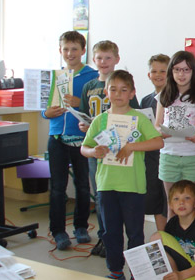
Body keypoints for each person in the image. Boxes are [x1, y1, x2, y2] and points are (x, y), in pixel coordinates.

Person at [81, 70, 164, 279]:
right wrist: (94, 151)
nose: (118, 94)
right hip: (107, 185)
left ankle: (137, 271)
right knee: (110, 232)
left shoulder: (139, 118)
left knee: (135, 233)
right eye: (113, 89)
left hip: (133, 186)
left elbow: (158, 142)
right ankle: (115, 270)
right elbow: (85, 148)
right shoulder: (100, 120)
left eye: (124, 90)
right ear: (107, 93)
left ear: (132, 93)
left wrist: (132, 147)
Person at [78, 40, 140, 257]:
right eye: (99, 58)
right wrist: (85, 126)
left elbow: (136, 121)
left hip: (124, 156)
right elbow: (84, 118)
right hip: (99, 149)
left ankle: (119, 241)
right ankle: (106, 238)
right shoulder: (89, 87)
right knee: (101, 195)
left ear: (116, 59)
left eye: (107, 58)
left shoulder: (127, 89)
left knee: (123, 201)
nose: (103, 62)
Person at [43, 30, 98, 250]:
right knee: (57, 187)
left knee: (83, 186)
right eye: (65, 49)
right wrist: (47, 114)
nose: (70, 53)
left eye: (74, 49)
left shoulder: (92, 76)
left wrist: (78, 102)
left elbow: (97, 109)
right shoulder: (54, 76)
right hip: (56, 137)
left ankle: (81, 226)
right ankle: (57, 231)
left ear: (83, 51)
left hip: (82, 138)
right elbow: (42, 109)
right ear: (60, 51)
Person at [155, 51, 195, 220]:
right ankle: (173, 245)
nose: (181, 74)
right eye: (177, 69)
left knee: (191, 204)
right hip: (169, 156)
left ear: (193, 72)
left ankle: (191, 243)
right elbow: (157, 125)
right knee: (172, 205)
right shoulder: (163, 96)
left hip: (192, 157)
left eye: (186, 70)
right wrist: (161, 132)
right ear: (171, 72)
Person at [149, 180, 195, 280]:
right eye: (176, 199)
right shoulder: (172, 224)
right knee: (156, 238)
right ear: (170, 205)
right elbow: (167, 253)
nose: (181, 202)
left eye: (187, 198)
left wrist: (182, 275)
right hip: (178, 271)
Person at [140, 53, 171, 231]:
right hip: (151, 158)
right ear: (149, 75)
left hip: (169, 155)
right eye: (154, 71)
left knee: (169, 199)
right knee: (156, 200)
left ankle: (172, 240)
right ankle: (162, 235)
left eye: (163, 71)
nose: (158, 75)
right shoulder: (145, 100)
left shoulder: (175, 98)